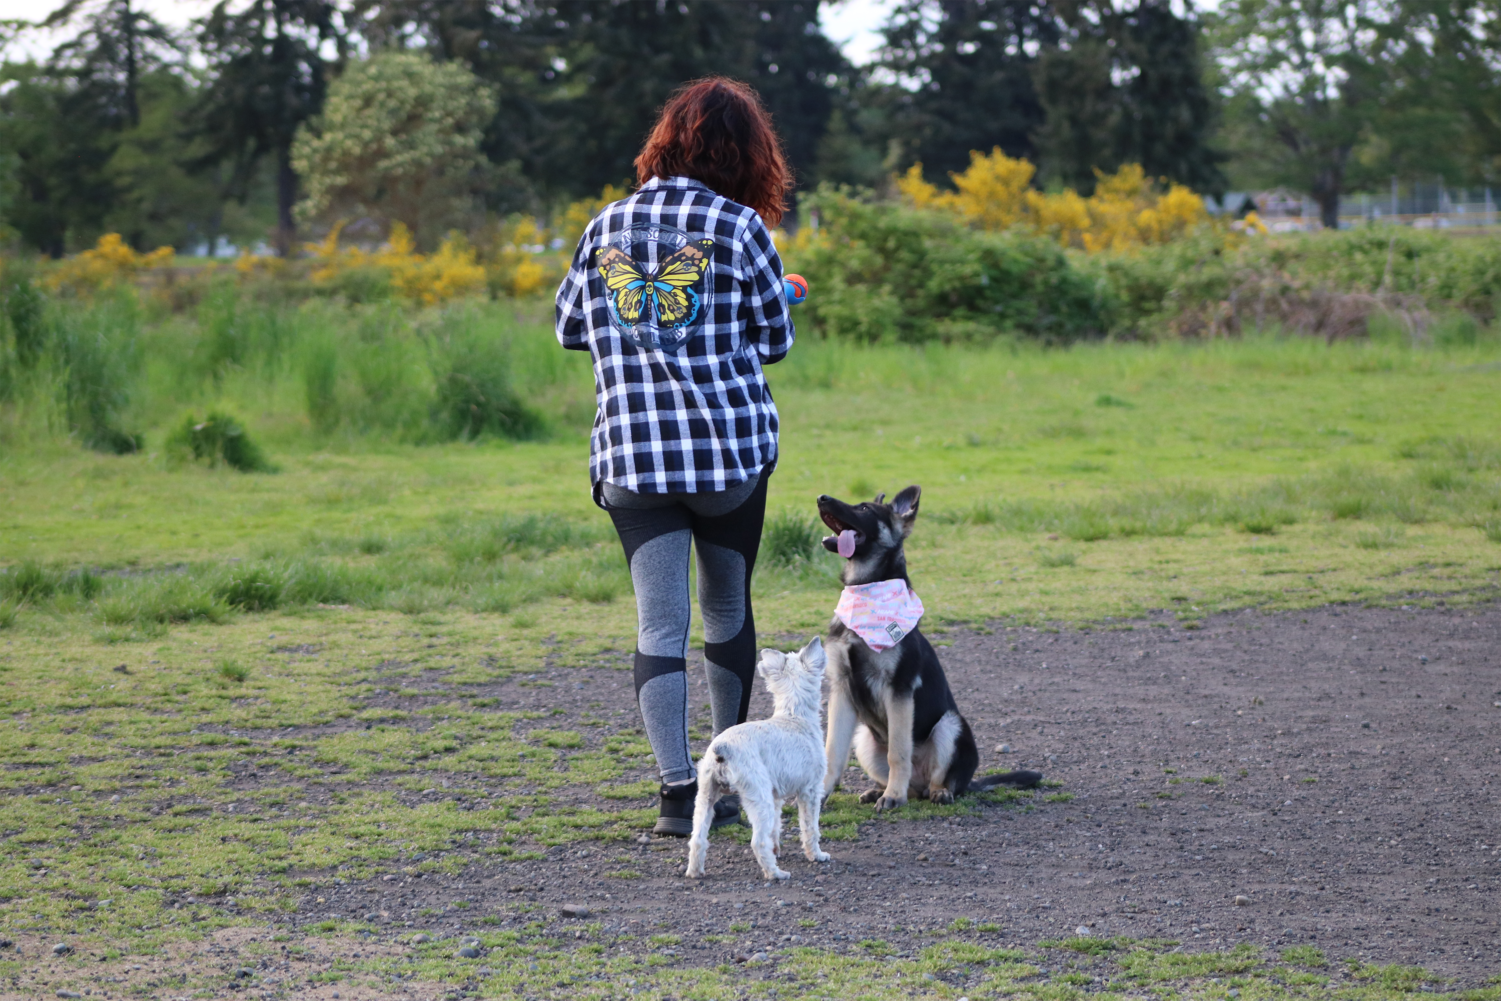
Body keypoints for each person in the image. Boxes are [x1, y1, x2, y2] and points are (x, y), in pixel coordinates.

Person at [554, 78, 795, 836]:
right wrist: (783, 297)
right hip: (726, 457)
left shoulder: (606, 224)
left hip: (632, 455)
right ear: (748, 153)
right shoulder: (738, 227)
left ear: (665, 141)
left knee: (658, 625)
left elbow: (568, 327)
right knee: (725, 608)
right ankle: (728, 781)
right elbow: (774, 343)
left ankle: (672, 791)